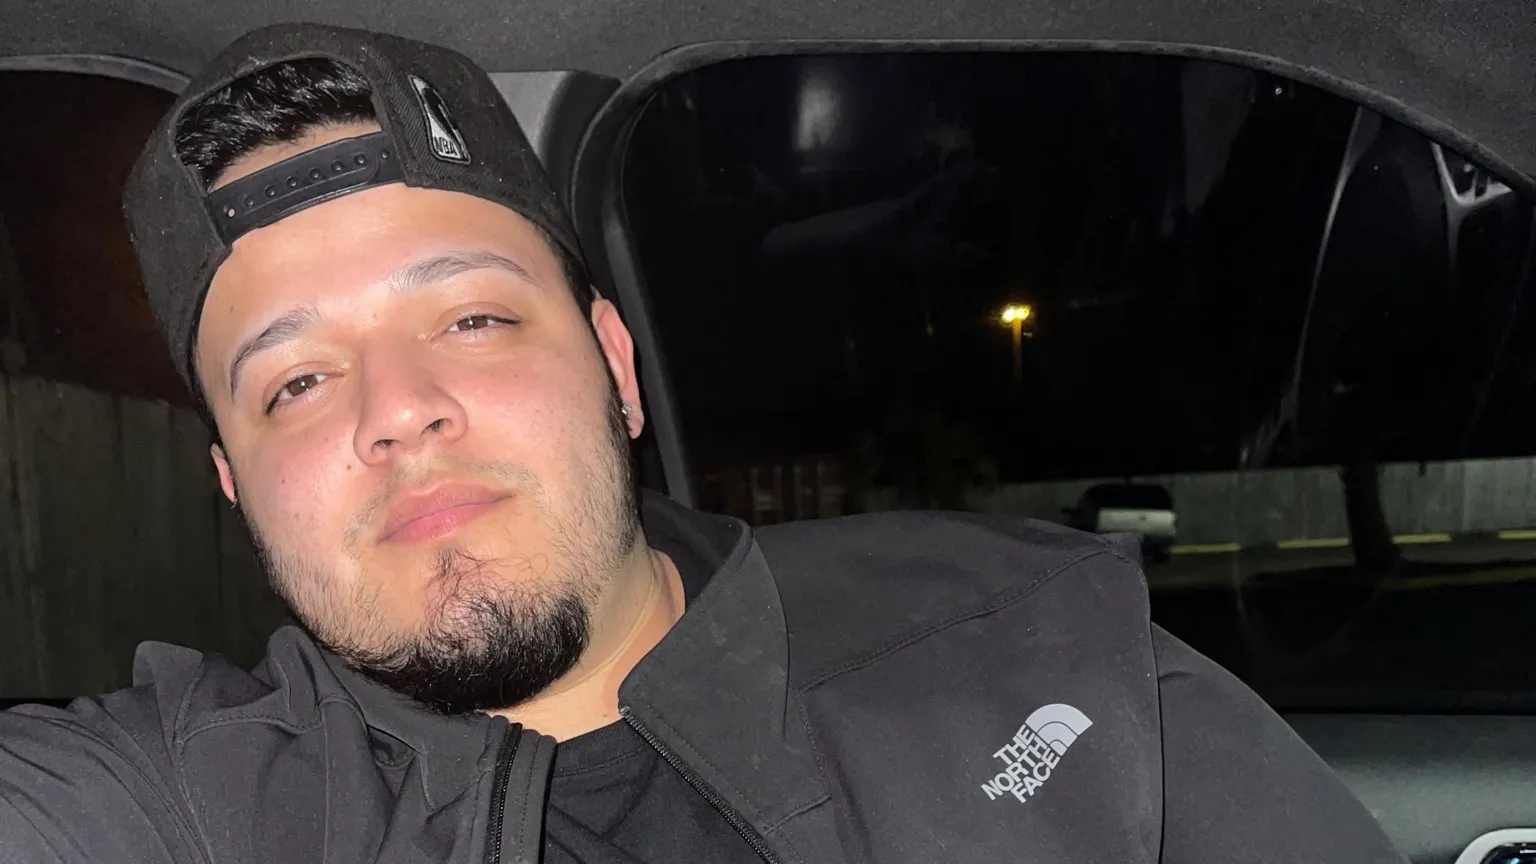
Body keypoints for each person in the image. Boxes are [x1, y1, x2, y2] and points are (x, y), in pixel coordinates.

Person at [0, 22, 1406, 864]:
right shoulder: (180, 807)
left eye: (474, 320)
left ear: (614, 368)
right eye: (297, 381)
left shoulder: (1036, 647)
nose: (397, 409)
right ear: (234, 485)